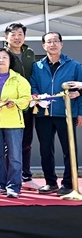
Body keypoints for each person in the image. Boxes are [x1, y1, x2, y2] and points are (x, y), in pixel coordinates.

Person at [29, 32, 82, 196]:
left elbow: (80, 89)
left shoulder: (75, 66)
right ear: (43, 46)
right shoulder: (37, 66)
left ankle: (68, 184)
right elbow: (33, 85)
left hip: (66, 113)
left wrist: (80, 111)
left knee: (69, 150)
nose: (52, 44)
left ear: (61, 44)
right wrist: (37, 96)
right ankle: (50, 182)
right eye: (49, 42)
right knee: (45, 150)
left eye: (55, 41)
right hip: (43, 113)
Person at [0, 47, 31, 198]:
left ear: (10, 61)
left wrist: (15, 102)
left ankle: (14, 186)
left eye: (5, 57)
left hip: (14, 123)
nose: (1, 60)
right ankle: (0, 184)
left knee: (14, 157)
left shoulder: (19, 79)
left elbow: (26, 99)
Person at [4, 22, 41, 190]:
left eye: (20, 34)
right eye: (13, 34)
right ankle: (8, 179)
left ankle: (26, 177)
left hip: (27, 103)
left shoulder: (29, 53)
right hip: (9, 106)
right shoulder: (2, 54)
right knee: (9, 145)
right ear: (6, 37)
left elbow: (34, 76)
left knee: (26, 142)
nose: (17, 38)